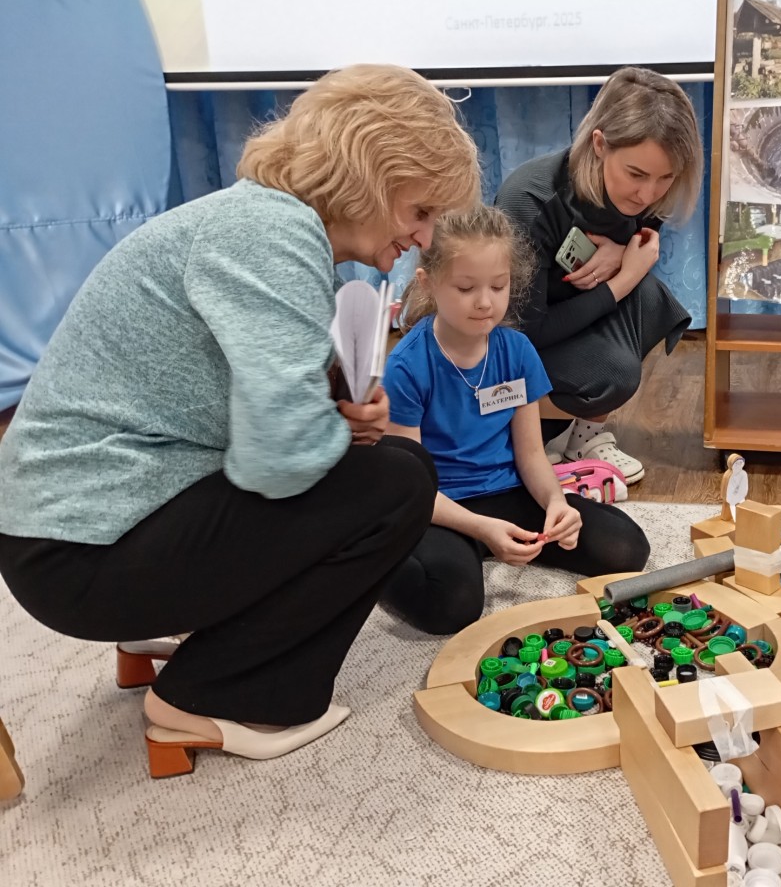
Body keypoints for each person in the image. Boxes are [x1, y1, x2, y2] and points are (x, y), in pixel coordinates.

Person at [0, 65, 480, 776]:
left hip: (72, 532)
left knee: (388, 469)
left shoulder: (257, 220)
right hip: (81, 554)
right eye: (420, 211)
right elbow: (278, 461)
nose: (425, 236)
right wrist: (339, 430)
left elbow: (248, 403)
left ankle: (179, 643)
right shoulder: (272, 235)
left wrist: (333, 414)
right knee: (397, 483)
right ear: (370, 176)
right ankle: (218, 695)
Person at [380, 206, 651, 635]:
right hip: (440, 505)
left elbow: (531, 455)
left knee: (627, 549)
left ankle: (482, 543)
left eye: (498, 285)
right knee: (452, 605)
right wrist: (482, 529)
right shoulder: (407, 366)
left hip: (506, 492)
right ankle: (379, 557)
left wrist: (556, 503)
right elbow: (413, 488)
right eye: (466, 287)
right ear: (428, 283)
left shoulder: (517, 350)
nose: (485, 302)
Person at [494, 66, 704, 484]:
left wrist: (625, 254)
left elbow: (645, 235)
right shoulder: (529, 201)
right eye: (637, 175)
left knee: (651, 300)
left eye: (666, 178)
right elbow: (523, 334)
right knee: (614, 372)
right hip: (514, 343)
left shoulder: (647, 192)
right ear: (599, 144)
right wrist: (623, 279)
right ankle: (526, 434)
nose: (648, 194)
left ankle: (581, 437)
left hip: (571, 316)